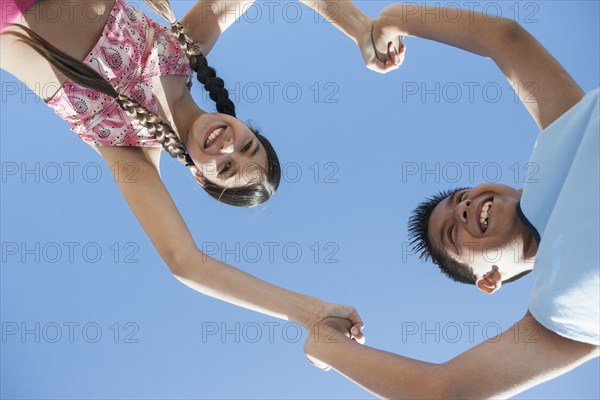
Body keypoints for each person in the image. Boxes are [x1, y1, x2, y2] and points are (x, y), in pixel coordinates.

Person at [1, 0, 396, 342]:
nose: (228, 146)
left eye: (225, 167)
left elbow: (185, 261)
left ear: (198, 176)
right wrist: (360, 28)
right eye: (247, 145)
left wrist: (306, 313)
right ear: (244, 124)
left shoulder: (127, 148)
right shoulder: (184, 49)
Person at [303, 3, 599, 398]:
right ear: (489, 280)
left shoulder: (564, 134)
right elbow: (440, 391)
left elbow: (503, 39)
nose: (462, 209)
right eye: (452, 234)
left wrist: (391, 19)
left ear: (512, 188)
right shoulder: (552, 320)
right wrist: (323, 344)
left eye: (460, 199)